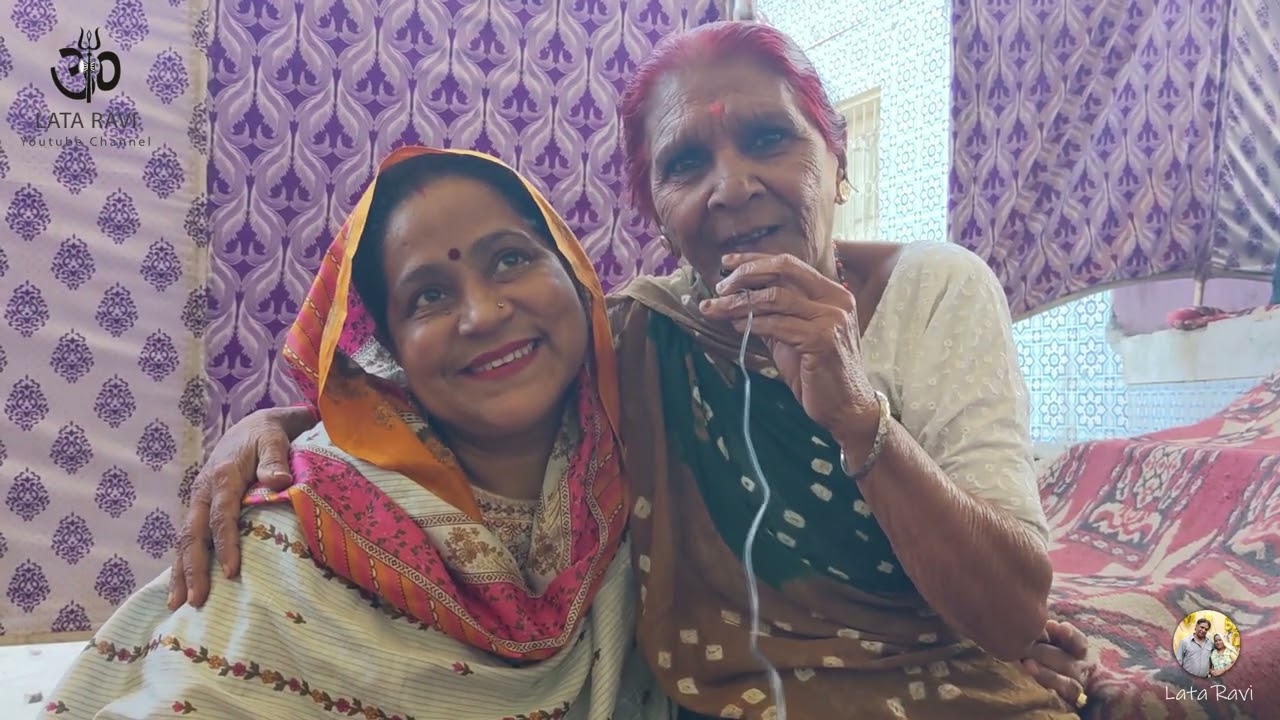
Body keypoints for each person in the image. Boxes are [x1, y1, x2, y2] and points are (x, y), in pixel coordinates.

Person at [169, 22, 1096, 720]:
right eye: (687, 162)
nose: (731, 186)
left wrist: (858, 416)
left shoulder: (936, 290)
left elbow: (1016, 614)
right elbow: (457, 392)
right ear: (656, 205)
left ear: (837, 161)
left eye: (769, 140)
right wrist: (271, 430)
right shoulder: (641, 334)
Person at [43, 147, 666, 720]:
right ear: (392, 351)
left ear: (573, 270)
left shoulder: (658, 433)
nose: (482, 314)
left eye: (511, 258)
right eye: (428, 296)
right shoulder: (290, 535)